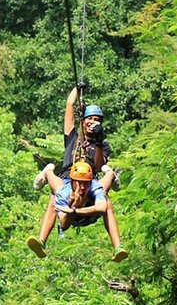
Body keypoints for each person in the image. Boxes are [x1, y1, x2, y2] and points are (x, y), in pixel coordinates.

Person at [27, 86, 127, 262]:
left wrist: (97, 140)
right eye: (89, 119)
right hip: (68, 179)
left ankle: (117, 246)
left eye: (96, 120)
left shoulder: (102, 145)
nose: (92, 122)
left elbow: (98, 164)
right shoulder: (73, 137)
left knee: (107, 199)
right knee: (53, 197)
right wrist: (77, 89)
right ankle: (41, 240)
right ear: (83, 121)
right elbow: (69, 104)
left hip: (88, 181)